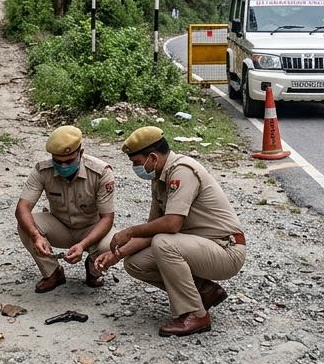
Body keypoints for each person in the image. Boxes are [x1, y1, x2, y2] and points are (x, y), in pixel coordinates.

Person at [94, 127, 248, 337]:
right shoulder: (159, 178)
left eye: (137, 163)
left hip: (226, 250)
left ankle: (196, 315)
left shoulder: (182, 170)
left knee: (164, 243)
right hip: (198, 247)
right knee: (135, 264)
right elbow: (152, 229)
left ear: (153, 157)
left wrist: (129, 231)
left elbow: (172, 225)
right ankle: (204, 291)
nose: (136, 168)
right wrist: (116, 255)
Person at [15, 125, 116, 292]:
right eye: (58, 161)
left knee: (112, 243)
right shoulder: (42, 170)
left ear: (80, 153)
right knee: (25, 225)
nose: (63, 166)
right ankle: (53, 272)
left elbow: (107, 218)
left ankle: (93, 269)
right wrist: (35, 236)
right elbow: (22, 208)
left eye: (69, 161)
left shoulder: (100, 172)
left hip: (91, 228)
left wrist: (83, 245)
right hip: (59, 225)